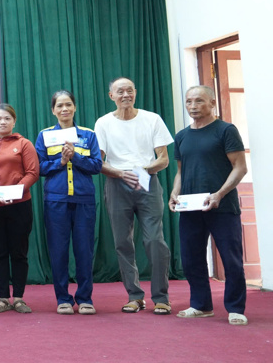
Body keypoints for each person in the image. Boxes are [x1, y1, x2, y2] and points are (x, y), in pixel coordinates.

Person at [169, 85, 249, 325]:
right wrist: (175, 193)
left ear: (212, 103)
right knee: (191, 259)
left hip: (222, 207)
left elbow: (240, 167)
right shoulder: (182, 135)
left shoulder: (226, 130)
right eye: (189, 101)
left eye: (199, 101)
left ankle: (235, 308)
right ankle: (201, 305)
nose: (193, 106)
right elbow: (181, 172)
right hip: (190, 207)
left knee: (231, 259)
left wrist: (220, 194)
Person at [94, 77, 173, 315]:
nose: (126, 94)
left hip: (147, 182)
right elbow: (99, 161)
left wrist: (141, 171)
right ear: (111, 96)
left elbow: (164, 159)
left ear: (135, 93)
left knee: (154, 241)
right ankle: (135, 296)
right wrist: (121, 173)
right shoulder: (103, 123)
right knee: (122, 242)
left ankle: (161, 297)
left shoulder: (152, 119)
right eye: (120, 91)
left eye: (130, 90)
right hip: (117, 184)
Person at [35, 90, 103, 315]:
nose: (64, 109)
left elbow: (96, 166)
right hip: (56, 201)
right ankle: (62, 298)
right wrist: (61, 161)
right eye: (59, 106)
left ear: (75, 107)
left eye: (68, 105)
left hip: (84, 201)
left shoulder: (88, 134)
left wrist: (76, 157)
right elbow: (39, 168)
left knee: (84, 251)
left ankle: (85, 298)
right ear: (53, 110)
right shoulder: (44, 135)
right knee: (58, 251)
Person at [0, 104, 40, 314]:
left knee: (19, 252)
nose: (3, 122)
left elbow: (32, 173)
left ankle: (19, 298)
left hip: (19, 206)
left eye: (7, 118)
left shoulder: (24, 144)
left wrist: (14, 192)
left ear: (14, 121)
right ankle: (3, 298)